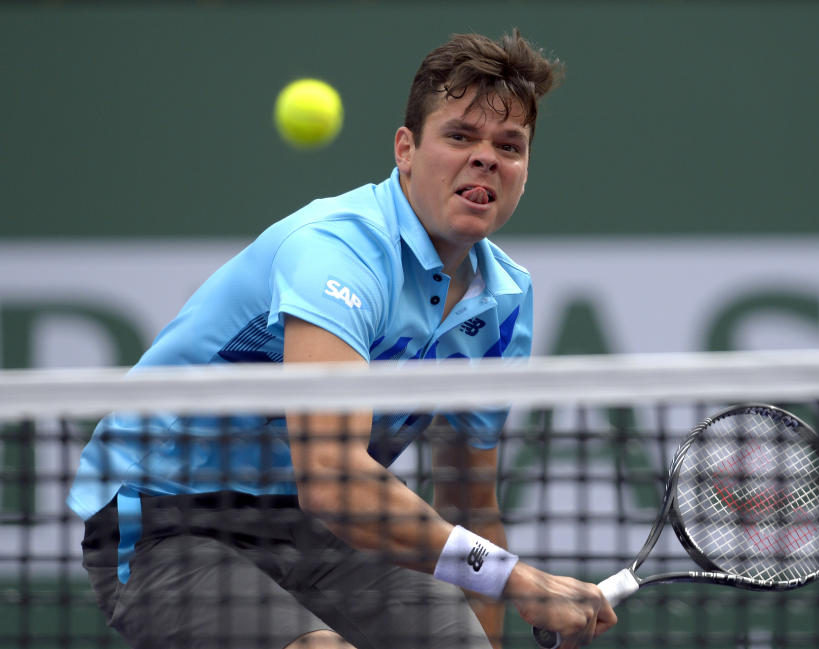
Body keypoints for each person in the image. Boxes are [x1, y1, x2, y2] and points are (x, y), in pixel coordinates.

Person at [67, 29, 617, 649]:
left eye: (509, 146)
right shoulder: (339, 251)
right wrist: (517, 581)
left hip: (321, 534)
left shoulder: (503, 303)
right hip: (168, 520)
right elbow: (331, 477)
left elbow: (471, 509)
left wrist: (494, 606)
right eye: (460, 136)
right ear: (405, 150)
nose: (486, 157)